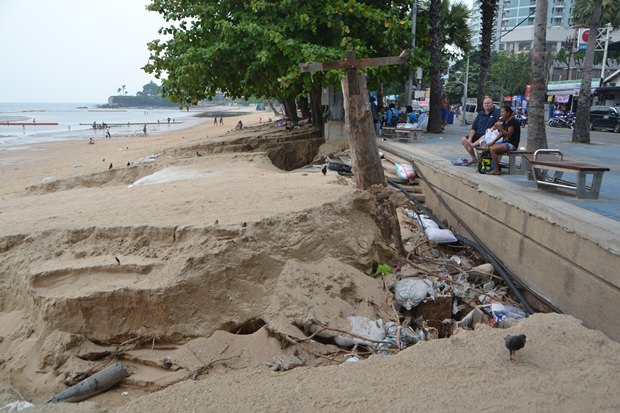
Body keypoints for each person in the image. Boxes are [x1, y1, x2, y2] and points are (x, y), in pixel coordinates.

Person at [461, 96, 500, 165]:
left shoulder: (496, 112)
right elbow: (474, 128)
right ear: (483, 105)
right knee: (464, 140)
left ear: (492, 104)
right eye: (485, 103)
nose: (486, 105)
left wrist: (492, 129)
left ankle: (473, 145)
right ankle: (474, 158)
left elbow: (499, 123)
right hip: (478, 135)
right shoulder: (480, 114)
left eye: (488, 103)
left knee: (483, 139)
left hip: (488, 137)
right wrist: (469, 139)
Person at [486, 105, 521, 175]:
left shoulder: (513, 121)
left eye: (503, 112)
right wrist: (492, 142)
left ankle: (496, 169)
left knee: (493, 150)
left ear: (508, 113)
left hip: (512, 144)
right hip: (505, 142)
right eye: (500, 112)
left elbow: (508, 134)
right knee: (489, 147)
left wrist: (500, 128)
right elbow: (501, 134)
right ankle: (493, 167)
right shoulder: (505, 121)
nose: (501, 114)